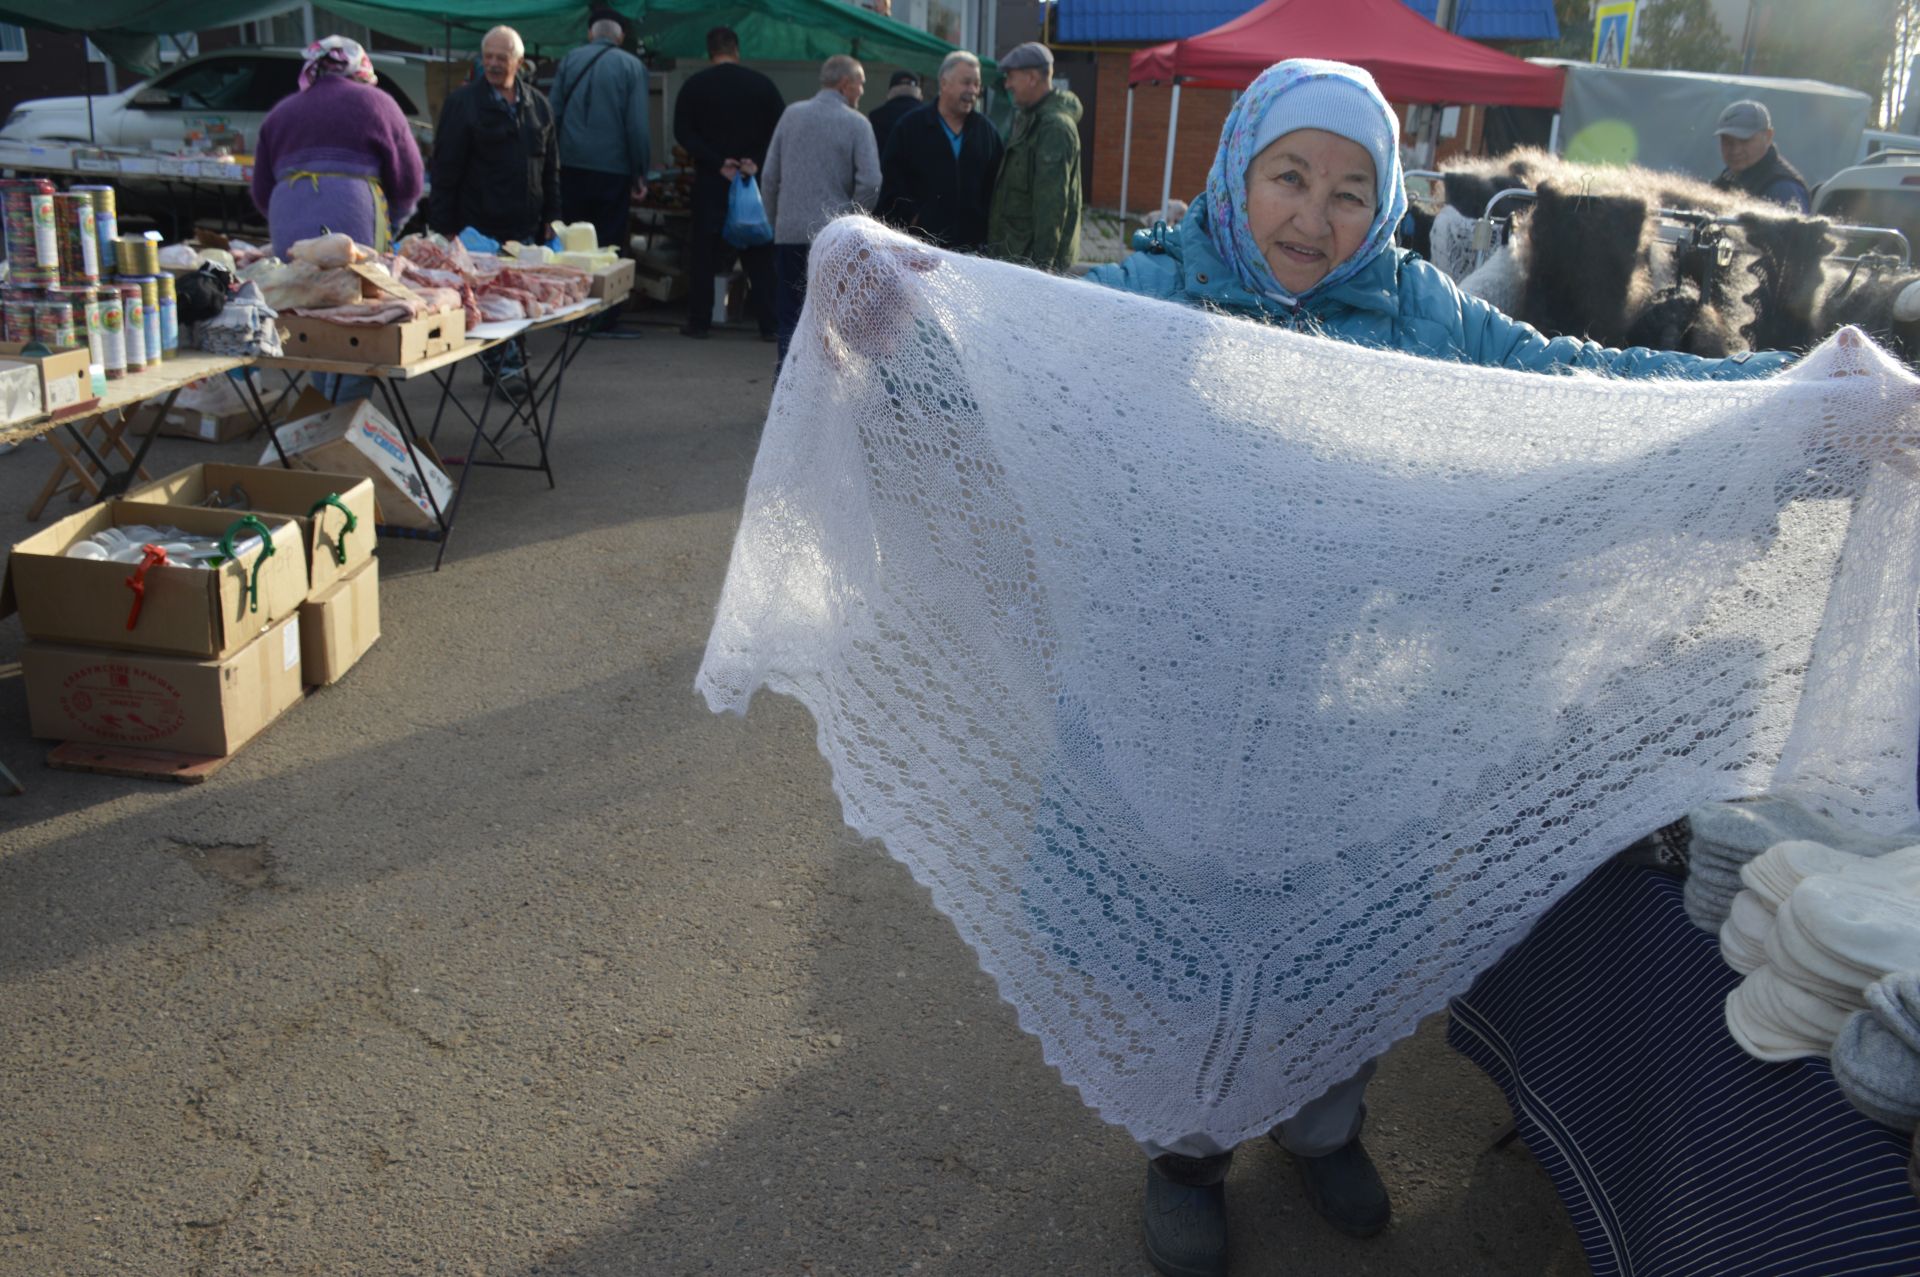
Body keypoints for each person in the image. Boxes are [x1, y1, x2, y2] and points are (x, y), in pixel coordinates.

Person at [1081, 59, 1792, 1277]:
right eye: (1289, 178)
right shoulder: (1149, 297)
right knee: (1205, 948)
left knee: (1354, 934)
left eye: (1354, 189)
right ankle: (1189, 1150)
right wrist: (890, 319)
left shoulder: (1420, 312)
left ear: (1392, 194)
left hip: (1368, 698)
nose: (1316, 217)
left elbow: (1584, 386)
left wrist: (1786, 392)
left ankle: (1321, 1124)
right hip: (1194, 699)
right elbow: (981, 367)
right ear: (1235, 171)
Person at [251, 36, 423, 259]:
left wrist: (292, 215)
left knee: (293, 287)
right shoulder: (379, 104)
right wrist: (395, 220)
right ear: (361, 71)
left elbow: (261, 191)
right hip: (356, 220)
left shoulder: (280, 113)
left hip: (288, 225)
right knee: (357, 287)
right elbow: (408, 181)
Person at [762, 55, 882, 364]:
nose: (862, 92)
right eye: (861, 84)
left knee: (790, 316)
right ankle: (827, 401)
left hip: (789, 233)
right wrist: (853, 222)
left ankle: (787, 396)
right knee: (834, 320)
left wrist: (776, 220)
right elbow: (871, 182)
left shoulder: (791, 115)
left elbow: (769, 176)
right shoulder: (857, 123)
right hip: (835, 241)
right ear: (846, 84)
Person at [673, 26, 786, 341]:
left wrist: (716, 161)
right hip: (751, 183)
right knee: (758, 252)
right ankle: (771, 324)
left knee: (703, 254)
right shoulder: (762, 86)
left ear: (709, 52)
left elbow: (682, 132)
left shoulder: (694, 86)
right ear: (737, 49)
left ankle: (699, 322)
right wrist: (755, 162)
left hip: (711, 180)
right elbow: (781, 130)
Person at [428, 25, 560, 245]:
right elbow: (444, 171)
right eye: (488, 57)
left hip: (526, 234)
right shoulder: (461, 104)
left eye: (501, 58)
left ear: (519, 62)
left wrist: (553, 217)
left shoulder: (539, 106)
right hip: (476, 235)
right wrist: (444, 228)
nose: (492, 64)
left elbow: (550, 169)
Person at [875, 50, 1004, 253]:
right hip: (919, 251)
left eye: (977, 84)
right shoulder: (910, 128)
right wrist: (913, 218)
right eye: (966, 82)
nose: (972, 90)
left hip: (972, 254)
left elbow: (997, 189)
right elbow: (891, 183)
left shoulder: (986, 133)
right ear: (944, 83)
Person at [551, 9, 652, 257]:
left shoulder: (570, 59)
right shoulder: (633, 67)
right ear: (621, 37)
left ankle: (573, 293)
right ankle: (605, 293)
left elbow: (552, 115)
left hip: (570, 166)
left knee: (572, 242)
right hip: (613, 172)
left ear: (590, 34)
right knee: (607, 247)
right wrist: (640, 173)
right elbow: (636, 126)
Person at [984, 42, 1083, 272]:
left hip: (1030, 266)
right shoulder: (1030, 118)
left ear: (1031, 78)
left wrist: (1042, 268)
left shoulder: (1053, 127)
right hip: (1017, 256)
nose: (1007, 85)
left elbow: (1052, 205)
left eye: (1011, 77)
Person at [1711, 99, 1811, 213]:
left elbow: (1794, 230)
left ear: (1768, 136)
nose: (1735, 150)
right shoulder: (1729, 177)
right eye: (1727, 141)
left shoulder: (1784, 188)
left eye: (1744, 140)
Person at [867, 70, 922, 159]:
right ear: (918, 93)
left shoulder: (875, 116)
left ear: (890, 92)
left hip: (884, 171)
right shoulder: (929, 116)